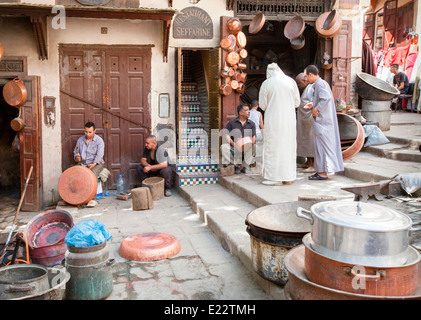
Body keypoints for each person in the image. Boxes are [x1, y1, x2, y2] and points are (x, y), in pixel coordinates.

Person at [258, 63, 300, 185]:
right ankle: (288, 177)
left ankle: (274, 178)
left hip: (273, 120)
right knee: (288, 147)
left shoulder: (267, 83)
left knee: (274, 147)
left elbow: (262, 105)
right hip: (289, 120)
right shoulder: (291, 81)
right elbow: (297, 102)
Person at [303, 65, 344, 180]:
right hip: (323, 121)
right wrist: (313, 104)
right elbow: (322, 98)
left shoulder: (320, 84)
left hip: (323, 122)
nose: (306, 79)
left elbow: (326, 99)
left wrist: (317, 109)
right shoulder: (319, 84)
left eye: (306, 76)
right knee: (320, 147)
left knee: (322, 146)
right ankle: (320, 171)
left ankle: (322, 173)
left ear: (311, 74)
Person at [221, 104, 256, 174]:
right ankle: (235, 164)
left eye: (249, 110)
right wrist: (234, 144)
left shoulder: (252, 124)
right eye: (246, 110)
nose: (249, 112)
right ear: (240, 113)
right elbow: (227, 135)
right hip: (234, 147)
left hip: (246, 147)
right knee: (223, 147)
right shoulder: (232, 122)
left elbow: (254, 137)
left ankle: (243, 166)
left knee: (255, 147)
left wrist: (250, 144)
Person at [295, 73, 315, 173]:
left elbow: (313, 103)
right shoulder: (307, 89)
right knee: (305, 141)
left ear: (304, 80)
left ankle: (313, 164)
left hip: (310, 120)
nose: (298, 86)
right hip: (304, 121)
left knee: (311, 141)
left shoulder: (312, 88)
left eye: (298, 83)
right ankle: (308, 162)